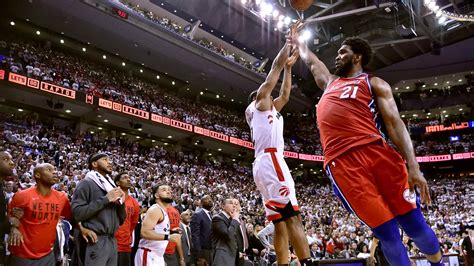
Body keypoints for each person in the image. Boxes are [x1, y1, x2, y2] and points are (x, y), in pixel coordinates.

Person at [289, 22, 443, 266]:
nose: (337, 57)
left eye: (342, 52)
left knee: (415, 225)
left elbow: (395, 125)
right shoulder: (329, 83)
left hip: (378, 154)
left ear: (357, 57)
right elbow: (311, 62)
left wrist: (413, 167)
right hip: (343, 165)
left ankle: (439, 264)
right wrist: (299, 44)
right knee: (388, 234)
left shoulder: (374, 83)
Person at [245, 37, 312, 265]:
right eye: (266, 93)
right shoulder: (261, 104)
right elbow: (274, 68)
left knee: (279, 222)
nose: (271, 96)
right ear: (258, 99)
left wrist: (289, 69)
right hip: (272, 160)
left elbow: (284, 95)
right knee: (294, 216)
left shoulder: (268, 111)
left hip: (262, 164)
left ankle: (282, 263)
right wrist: (287, 46)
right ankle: (307, 262)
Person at [8, 163, 72, 265]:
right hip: (22, 255)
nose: (55, 172)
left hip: (48, 254)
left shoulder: (62, 198)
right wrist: (13, 227)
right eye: (49, 170)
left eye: (55, 169)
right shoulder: (22, 196)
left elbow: (71, 217)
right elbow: (8, 216)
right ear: (37, 175)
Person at [71, 153, 126, 266]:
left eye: (109, 160)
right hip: (95, 240)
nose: (109, 162)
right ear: (94, 164)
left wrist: (121, 203)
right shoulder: (86, 183)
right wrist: (106, 199)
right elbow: (77, 213)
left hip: (111, 240)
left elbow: (121, 220)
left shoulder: (111, 186)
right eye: (105, 160)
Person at [134, 184, 181, 266]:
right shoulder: (155, 209)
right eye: (164, 190)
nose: (169, 191)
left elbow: (156, 230)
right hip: (148, 253)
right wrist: (168, 237)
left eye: (169, 190)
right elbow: (144, 233)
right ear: (156, 195)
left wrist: (170, 232)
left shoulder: (163, 211)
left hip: (157, 255)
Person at [114, 173, 140, 266]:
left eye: (129, 177)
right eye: (125, 178)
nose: (129, 179)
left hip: (125, 245)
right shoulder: (111, 198)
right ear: (118, 182)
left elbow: (133, 224)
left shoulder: (134, 203)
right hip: (109, 243)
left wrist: (126, 236)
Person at [211, 198, 241, 266]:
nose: (234, 206)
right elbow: (228, 235)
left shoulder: (232, 219)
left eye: (235, 204)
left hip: (233, 257)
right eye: (231, 203)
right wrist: (235, 219)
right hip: (222, 258)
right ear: (223, 206)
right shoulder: (217, 218)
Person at [190, 195, 213, 266]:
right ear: (201, 203)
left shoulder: (211, 215)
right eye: (207, 199)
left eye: (210, 199)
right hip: (203, 250)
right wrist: (200, 255)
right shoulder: (197, 215)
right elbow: (195, 235)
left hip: (211, 249)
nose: (210, 200)